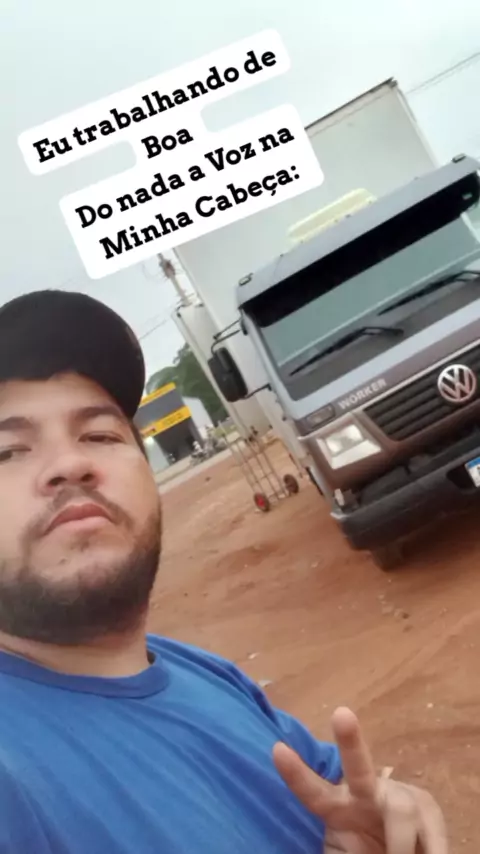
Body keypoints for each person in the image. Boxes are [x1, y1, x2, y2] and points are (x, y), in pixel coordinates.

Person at [0, 289, 447, 854]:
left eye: (100, 435)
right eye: (7, 451)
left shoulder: (201, 671)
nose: (70, 463)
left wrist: (385, 817)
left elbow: (337, 794)